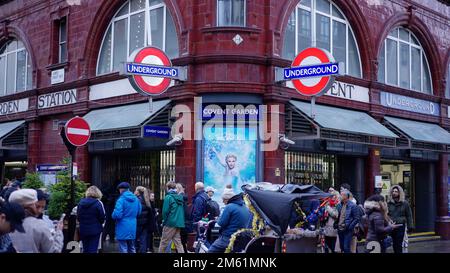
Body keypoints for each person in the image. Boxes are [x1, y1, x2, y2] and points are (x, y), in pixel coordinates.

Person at [208, 188, 251, 253]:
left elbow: (220, 224)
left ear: (227, 200)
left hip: (227, 238)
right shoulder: (245, 207)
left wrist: (213, 235)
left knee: (211, 250)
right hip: (240, 239)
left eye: (223, 200)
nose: (223, 202)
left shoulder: (229, 207)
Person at [112, 182, 142, 253]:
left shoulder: (121, 200)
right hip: (132, 225)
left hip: (122, 226)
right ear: (128, 189)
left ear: (121, 190)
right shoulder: (136, 199)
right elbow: (139, 212)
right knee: (132, 247)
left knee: (123, 248)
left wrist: (113, 214)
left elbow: (117, 215)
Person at [77, 186, 106, 253]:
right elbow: (102, 217)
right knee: (93, 249)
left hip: (83, 229)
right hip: (95, 229)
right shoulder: (98, 203)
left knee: (85, 248)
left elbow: (78, 217)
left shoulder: (81, 203)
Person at [158, 181, 185, 253]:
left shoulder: (168, 197)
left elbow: (165, 211)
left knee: (163, 242)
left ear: (168, 188)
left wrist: (164, 221)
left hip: (170, 222)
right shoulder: (179, 197)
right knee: (178, 243)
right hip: (178, 223)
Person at [387, 185, 414, 253]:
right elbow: (386, 214)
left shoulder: (405, 203)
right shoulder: (388, 203)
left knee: (398, 244)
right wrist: (388, 222)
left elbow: (409, 215)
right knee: (393, 243)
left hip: (401, 226)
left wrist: (410, 226)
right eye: (393, 191)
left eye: (396, 191)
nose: (394, 193)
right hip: (391, 226)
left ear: (400, 193)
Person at [134, 186, 152, 253]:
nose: (134, 192)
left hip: (138, 222)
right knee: (143, 240)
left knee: (135, 240)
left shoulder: (136, 200)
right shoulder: (146, 200)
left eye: (135, 190)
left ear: (138, 192)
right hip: (145, 223)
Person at [323, 188, 340, 253]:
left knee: (333, 247)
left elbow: (336, 215)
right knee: (327, 246)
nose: (331, 197)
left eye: (333, 196)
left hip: (333, 229)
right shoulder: (328, 204)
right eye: (330, 196)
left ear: (336, 196)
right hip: (327, 228)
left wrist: (328, 208)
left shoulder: (338, 204)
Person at [176, 183, 190, 253]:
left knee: (180, 243)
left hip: (181, 223)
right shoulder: (184, 199)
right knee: (183, 243)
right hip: (185, 223)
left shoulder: (179, 200)